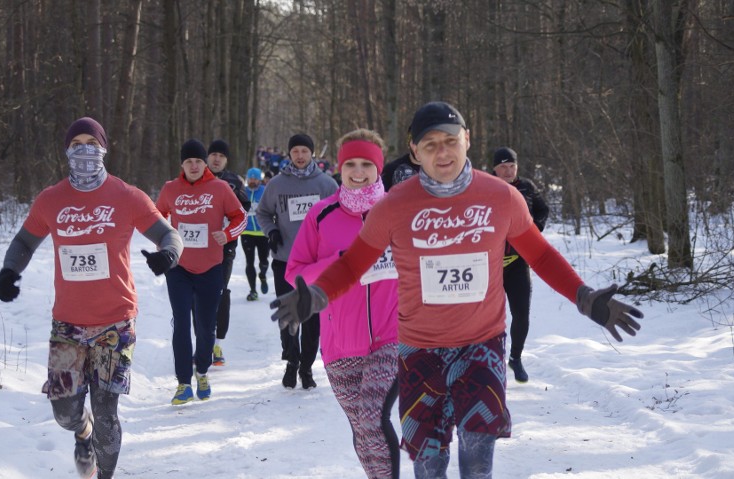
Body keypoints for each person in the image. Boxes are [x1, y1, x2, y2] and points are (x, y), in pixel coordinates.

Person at [270, 101, 643, 479]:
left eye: (449, 140)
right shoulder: (394, 206)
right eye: (429, 145)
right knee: (429, 465)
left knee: (477, 455)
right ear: (414, 152)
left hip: (482, 345)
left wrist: (582, 296)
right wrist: (317, 296)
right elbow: (352, 265)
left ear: (467, 139)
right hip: (418, 351)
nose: (442, 152)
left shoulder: (501, 197)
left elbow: (541, 255)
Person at [0, 117, 183, 479]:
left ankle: (104, 475)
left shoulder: (127, 196)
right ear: (67, 150)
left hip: (116, 321)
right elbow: (24, 241)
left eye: (91, 142)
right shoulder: (51, 200)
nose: (84, 149)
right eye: (76, 143)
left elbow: (168, 234)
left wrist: (168, 255)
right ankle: (82, 432)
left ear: (103, 148)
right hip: (67, 323)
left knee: (106, 409)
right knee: (64, 410)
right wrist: (9, 271)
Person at [286, 129, 400, 478]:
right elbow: (295, 273)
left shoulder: (398, 212)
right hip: (340, 342)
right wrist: (342, 259)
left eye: (367, 164)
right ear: (339, 166)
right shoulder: (321, 215)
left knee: (372, 416)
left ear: (378, 167)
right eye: (350, 163)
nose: (358, 171)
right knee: (362, 428)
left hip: (393, 335)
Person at [156, 139, 246, 404]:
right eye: (188, 162)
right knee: (181, 324)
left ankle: (203, 371)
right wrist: (164, 245)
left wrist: (227, 233)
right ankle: (183, 382)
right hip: (179, 268)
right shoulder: (170, 189)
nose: (194, 166)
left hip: (210, 267)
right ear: (182, 164)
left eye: (198, 161)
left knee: (206, 327)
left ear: (204, 163)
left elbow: (240, 216)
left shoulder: (219, 188)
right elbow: (156, 218)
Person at [256, 133, 338, 389]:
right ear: (289, 154)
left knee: (313, 320)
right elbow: (263, 212)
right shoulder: (277, 184)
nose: (300, 156)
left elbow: (339, 216)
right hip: (285, 260)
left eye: (304, 151)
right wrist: (272, 231)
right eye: (295, 152)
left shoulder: (326, 185)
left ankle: (306, 367)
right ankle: (291, 361)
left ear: (312, 153)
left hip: (315, 265)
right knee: (288, 316)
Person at [492, 146, 550, 383]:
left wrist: (533, 231)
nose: (507, 171)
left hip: (517, 263)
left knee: (521, 314)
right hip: (489, 265)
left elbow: (543, 209)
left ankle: (515, 358)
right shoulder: (485, 186)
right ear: (494, 168)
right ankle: (491, 360)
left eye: (512, 166)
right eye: (503, 167)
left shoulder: (526, 187)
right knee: (491, 318)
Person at [206, 139, 251, 366]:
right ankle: (202, 340)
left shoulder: (234, 181)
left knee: (220, 292)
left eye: (221, 156)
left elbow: (244, 210)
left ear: (226, 160)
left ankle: (217, 344)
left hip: (225, 247)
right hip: (196, 248)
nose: (216, 159)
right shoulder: (194, 177)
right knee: (198, 296)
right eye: (213, 154)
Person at [242, 167, 270, 301]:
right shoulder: (243, 192)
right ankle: (253, 290)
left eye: (255, 178)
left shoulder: (265, 192)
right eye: (250, 178)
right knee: (249, 262)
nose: (252, 181)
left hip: (263, 232)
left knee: (264, 261)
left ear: (260, 180)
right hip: (247, 232)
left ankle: (263, 275)